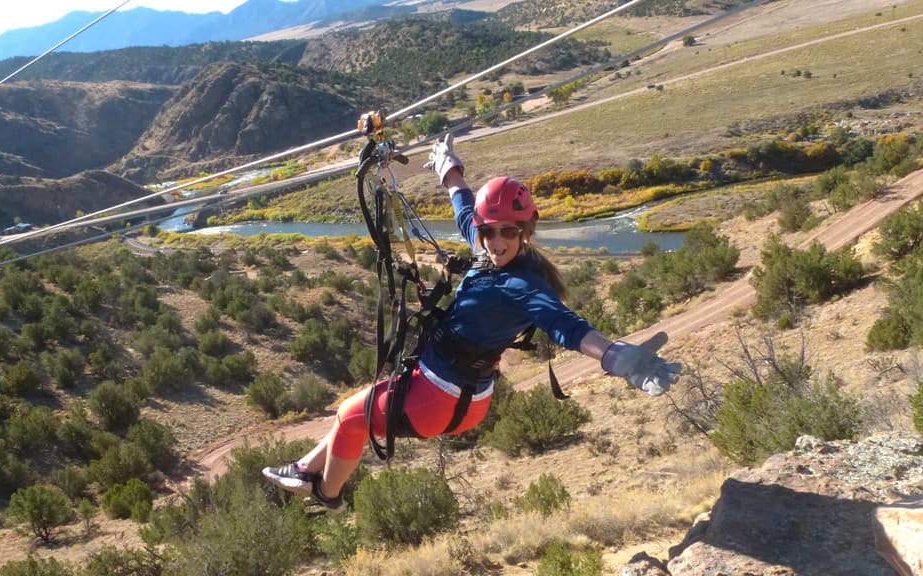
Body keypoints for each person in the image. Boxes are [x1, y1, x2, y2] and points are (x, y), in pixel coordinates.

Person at [263, 135, 682, 512]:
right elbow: (464, 206)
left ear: (525, 231)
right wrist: (450, 168)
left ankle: (328, 494)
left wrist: (616, 357)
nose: (497, 241)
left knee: (352, 417)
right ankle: (303, 469)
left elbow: (567, 326)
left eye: (508, 232)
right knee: (359, 405)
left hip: (442, 398)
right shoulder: (486, 250)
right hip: (455, 390)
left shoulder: (522, 284)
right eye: (490, 232)